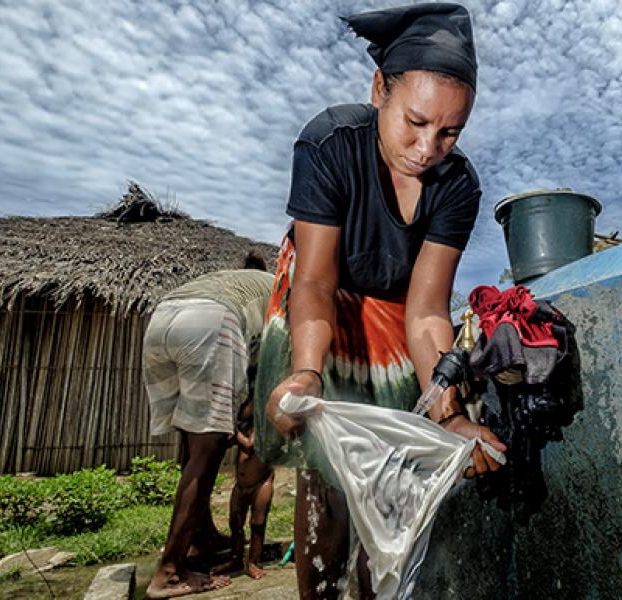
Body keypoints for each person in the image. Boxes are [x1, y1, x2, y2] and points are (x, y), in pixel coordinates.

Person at [253, 4, 506, 598]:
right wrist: (307, 373)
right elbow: (315, 282)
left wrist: (449, 417)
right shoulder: (329, 143)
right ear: (378, 91)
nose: (427, 147)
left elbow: (426, 310)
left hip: (396, 315)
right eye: (415, 122)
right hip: (324, 303)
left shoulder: (458, 185)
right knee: (329, 479)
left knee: (391, 480)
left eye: (450, 132)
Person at [142, 255, 275, 599]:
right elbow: (270, 366)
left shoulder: (230, 278)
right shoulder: (277, 287)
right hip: (213, 321)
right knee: (209, 449)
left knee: (192, 438)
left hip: (161, 318)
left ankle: (201, 539)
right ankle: (170, 572)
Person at [212, 398, 275, 580]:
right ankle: (236, 558)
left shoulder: (261, 427)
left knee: (258, 523)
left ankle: (253, 562)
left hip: (261, 483)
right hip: (241, 485)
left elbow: (249, 444)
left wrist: (232, 430)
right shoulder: (245, 428)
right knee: (235, 523)